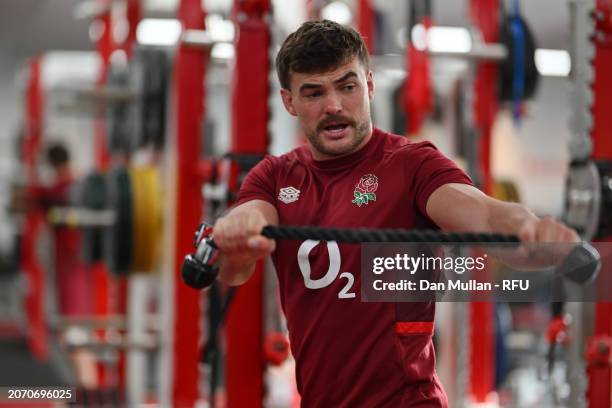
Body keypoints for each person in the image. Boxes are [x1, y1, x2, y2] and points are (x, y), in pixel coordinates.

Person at [212, 20, 578, 407]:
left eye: (347, 86)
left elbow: (485, 216)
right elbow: (238, 262)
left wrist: (531, 231)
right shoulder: (274, 176)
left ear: (368, 85)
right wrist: (238, 234)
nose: (334, 105)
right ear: (289, 101)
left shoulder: (412, 166)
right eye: (314, 93)